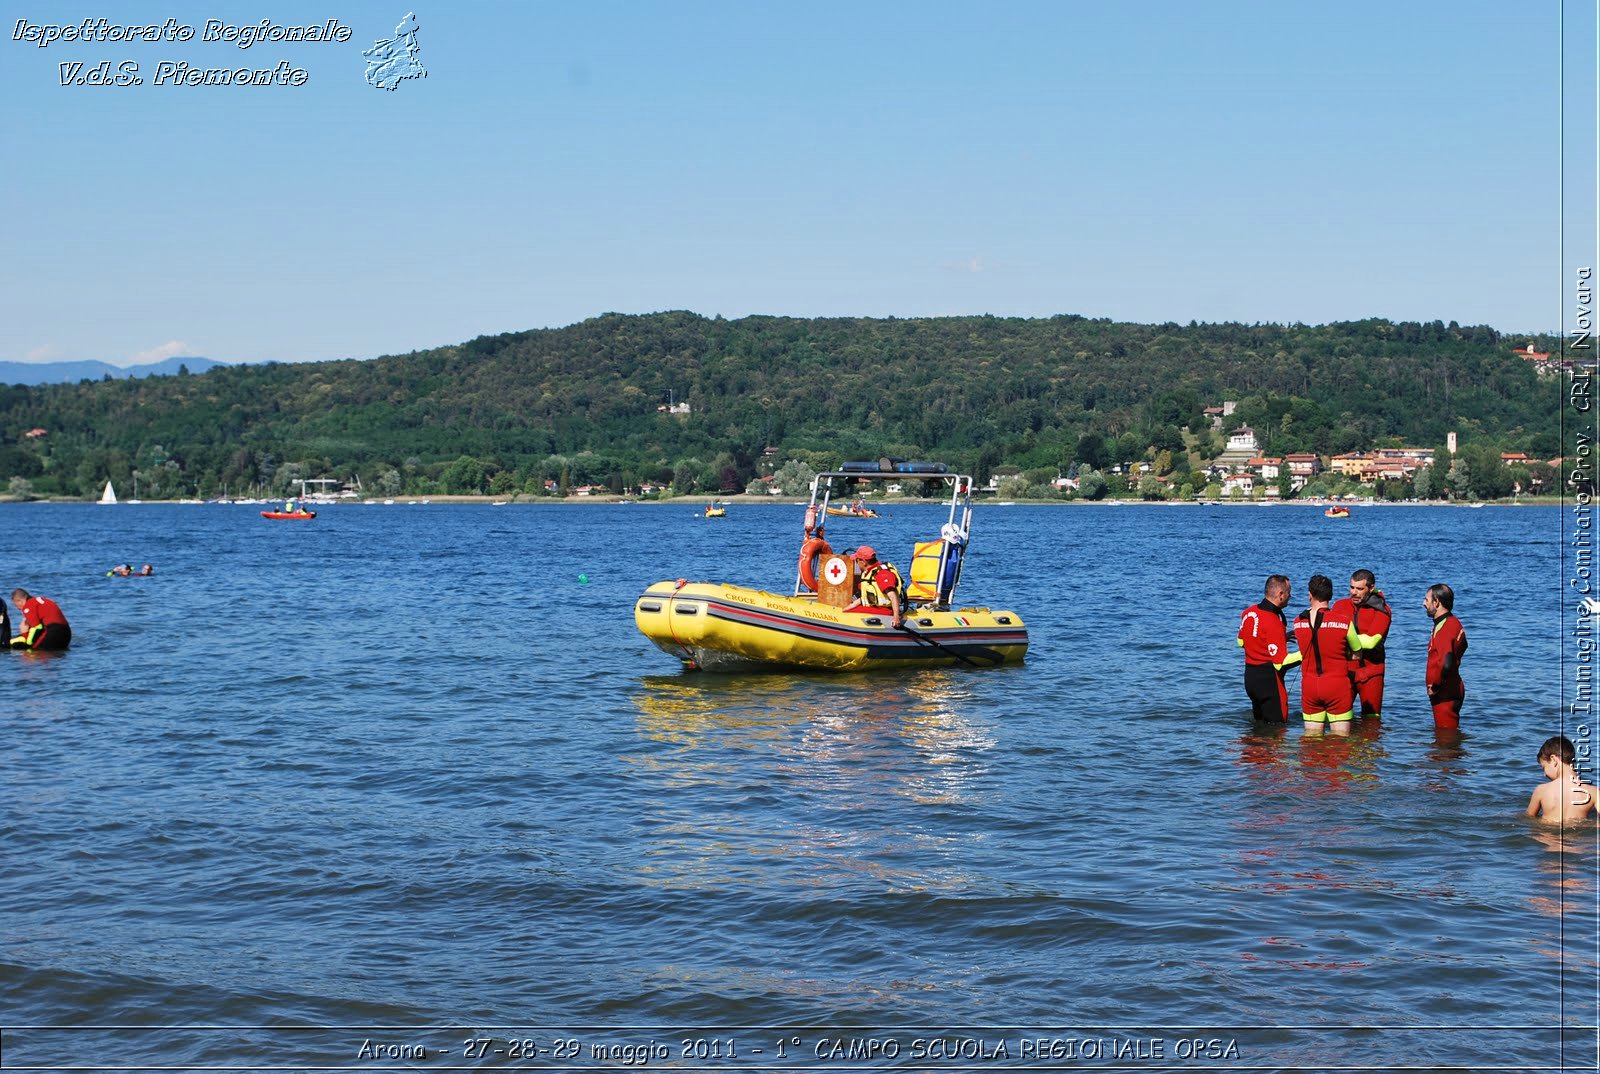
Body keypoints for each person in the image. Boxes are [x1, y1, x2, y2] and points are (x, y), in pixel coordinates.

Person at [1292, 574, 1355, 735]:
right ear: (1331, 596)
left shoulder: (1298, 622)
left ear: (1310, 595)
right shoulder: (1344, 622)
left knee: (1311, 744)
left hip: (1310, 686)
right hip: (1337, 685)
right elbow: (1357, 653)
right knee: (1340, 744)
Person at [1237, 574, 1302, 723]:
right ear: (1280, 594)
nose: (1290, 596)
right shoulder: (1273, 621)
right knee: (1277, 729)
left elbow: (1241, 641)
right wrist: (1306, 653)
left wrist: (1279, 638)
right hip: (1269, 682)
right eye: (1288, 593)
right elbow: (1281, 662)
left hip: (1250, 679)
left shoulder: (1248, 612)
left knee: (1258, 729)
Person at [1342, 569, 1391, 719]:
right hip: (1346, 671)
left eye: (1359, 589)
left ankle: (1372, 744)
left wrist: (1341, 636)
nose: (1354, 593)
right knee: (1340, 719)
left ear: (1371, 588)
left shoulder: (1382, 610)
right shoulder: (1340, 606)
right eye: (1351, 587)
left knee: (1372, 721)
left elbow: (1371, 642)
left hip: (1372, 671)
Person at [1424, 583, 1468, 729]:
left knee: (1445, 742)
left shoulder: (1445, 628)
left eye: (1427, 600)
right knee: (1449, 739)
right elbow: (1464, 645)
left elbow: (1446, 663)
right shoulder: (1454, 622)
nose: (1424, 603)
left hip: (1445, 694)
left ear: (1436, 602)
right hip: (1453, 687)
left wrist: (1435, 686)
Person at [1526, 736, 1597, 823]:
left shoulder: (1541, 790)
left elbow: (1528, 818)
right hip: (1579, 835)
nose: (1544, 775)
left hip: (1547, 835)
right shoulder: (1593, 792)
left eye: (1544, 767)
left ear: (1553, 759)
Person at [851, 545, 904, 627]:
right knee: (847, 611)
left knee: (850, 613)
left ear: (863, 561)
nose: (856, 563)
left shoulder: (882, 574)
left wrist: (896, 617)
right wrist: (846, 608)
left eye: (857, 561)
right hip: (874, 607)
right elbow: (864, 599)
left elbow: (893, 595)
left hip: (884, 610)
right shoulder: (869, 573)